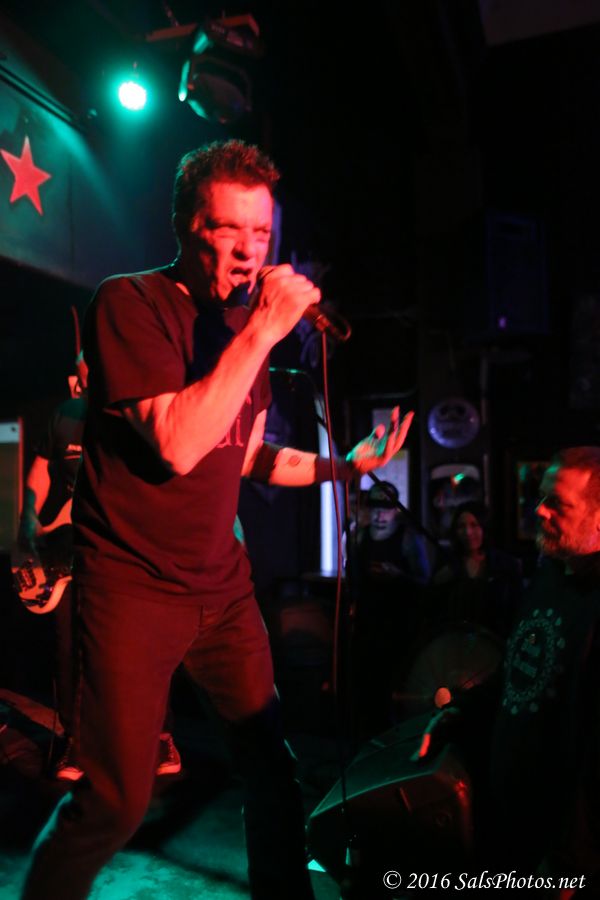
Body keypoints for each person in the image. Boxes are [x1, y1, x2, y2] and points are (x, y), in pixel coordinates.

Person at [21, 139, 413, 900]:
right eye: (228, 230)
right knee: (115, 800)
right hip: (133, 587)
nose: (248, 251)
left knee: (273, 768)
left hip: (222, 592)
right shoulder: (130, 304)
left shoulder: (242, 328)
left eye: (261, 233)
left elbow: (246, 454)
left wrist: (344, 468)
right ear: (185, 227)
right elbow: (176, 443)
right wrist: (262, 331)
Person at [17, 357, 181, 781]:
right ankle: (74, 740)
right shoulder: (66, 415)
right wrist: (29, 516)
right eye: (85, 363)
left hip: (124, 548)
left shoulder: (136, 414)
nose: (88, 370)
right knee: (68, 644)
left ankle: (160, 735)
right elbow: (40, 470)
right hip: (70, 548)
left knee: (143, 644)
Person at [489, 447, 600, 896]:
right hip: (513, 822)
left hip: (562, 852)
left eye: (558, 504)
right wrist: (461, 712)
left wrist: (572, 859)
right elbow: (523, 667)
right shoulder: (552, 571)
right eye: (541, 497)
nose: (539, 510)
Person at [352, 481, 430, 736]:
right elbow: (353, 577)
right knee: (368, 682)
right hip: (367, 622)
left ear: (396, 511)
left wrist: (398, 576)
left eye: (385, 509)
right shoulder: (360, 536)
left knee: (395, 681)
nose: (379, 515)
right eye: (375, 509)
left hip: (398, 624)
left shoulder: (408, 538)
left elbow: (425, 581)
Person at [431, 501, 522, 640]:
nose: (468, 532)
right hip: (456, 641)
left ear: (484, 527)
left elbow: (516, 609)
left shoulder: (506, 564)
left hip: (496, 641)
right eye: (461, 526)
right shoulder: (447, 563)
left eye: (474, 525)